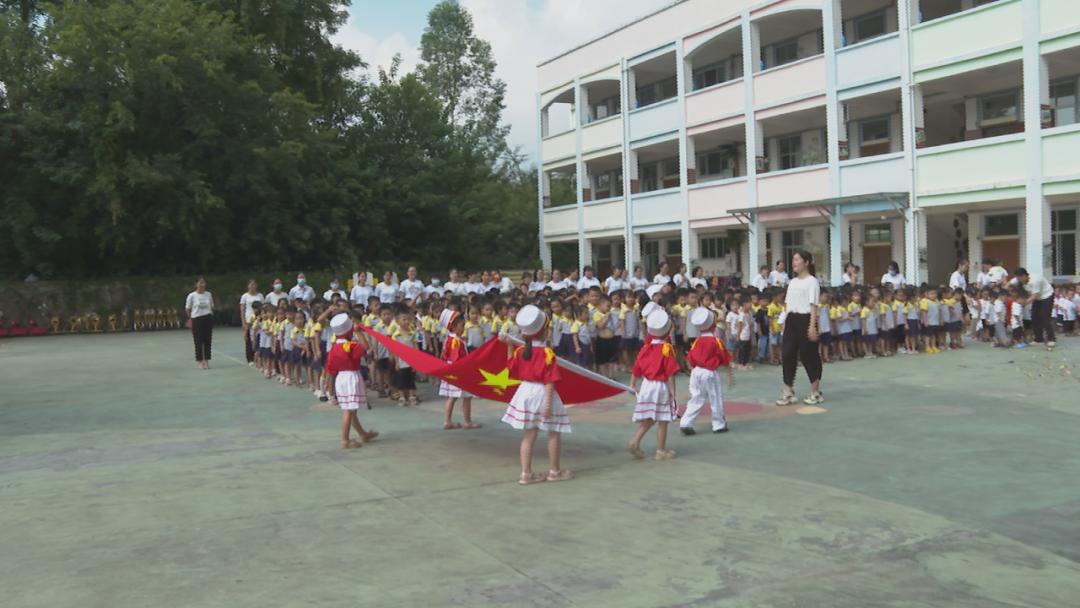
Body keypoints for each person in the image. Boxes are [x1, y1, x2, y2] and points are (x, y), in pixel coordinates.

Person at [500, 305, 572, 485]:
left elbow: (510, 367)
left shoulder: (520, 351)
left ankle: (526, 473)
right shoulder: (547, 353)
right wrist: (548, 403)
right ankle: (554, 471)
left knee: (528, 435)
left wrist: (509, 345)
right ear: (546, 331)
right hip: (542, 393)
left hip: (525, 392)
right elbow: (550, 379)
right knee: (554, 432)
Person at [627, 309, 680, 461]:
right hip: (660, 386)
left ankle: (635, 441)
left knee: (649, 417)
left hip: (646, 385)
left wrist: (632, 383)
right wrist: (673, 393)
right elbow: (670, 373)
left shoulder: (645, 348)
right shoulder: (666, 349)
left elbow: (637, 367)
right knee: (663, 419)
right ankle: (660, 450)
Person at [324, 313, 379, 449]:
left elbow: (330, 369)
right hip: (351, 378)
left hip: (340, 379)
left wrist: (328, 385)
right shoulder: (350, 346)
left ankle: (362, 434)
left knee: (351, 408)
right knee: (349, 410)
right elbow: (366, 348)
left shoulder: (334, 348)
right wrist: (359, 332)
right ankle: (345, 440)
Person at [776, 250, 823, 405]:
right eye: (793, 259)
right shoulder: (793, 282)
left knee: (809, 356)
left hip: (806, 319)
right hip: (792, 320)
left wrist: (812, 327)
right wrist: (783, 321)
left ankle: (815, 392)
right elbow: (788, 304)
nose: (794, 262)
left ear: (806, 262)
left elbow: (813, 305)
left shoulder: (812, 281)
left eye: (797, 259)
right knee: (788, 354)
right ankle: (788, 391)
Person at [679, 308, 735, 435]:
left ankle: (686, 422)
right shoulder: (716, 341)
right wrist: (730, 375)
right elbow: (725, 359)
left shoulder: (697, 341)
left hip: (696, 371)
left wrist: (693, 371)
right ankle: (718, 424)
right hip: (709, 372)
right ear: (714, 324)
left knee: (696, 398)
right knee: (715, 398)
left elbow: (690, 358)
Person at [438, 309, 481, 429]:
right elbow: (457, 359)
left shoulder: (449, 339)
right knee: (467, 397)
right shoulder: (456, 341)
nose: (464, 328)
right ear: (454, 326)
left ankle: (447, 421)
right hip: (459, 373)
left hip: (451, 373)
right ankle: (467, 421)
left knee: (452, 397)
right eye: (462, 325)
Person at [1013, 267, 1056, 350]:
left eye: (1020, 278)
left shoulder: (1036, 280)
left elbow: (1034, 296)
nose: (1019, 280)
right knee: (1034, 317)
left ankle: (1051, 338)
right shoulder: (1018, 281)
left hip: (1047, 296)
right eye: (1017, 278)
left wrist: (1024, 303)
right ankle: (1039, 339)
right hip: (1037, 298)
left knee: (1045, 317)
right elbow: (1009, 286)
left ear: (1024, 276)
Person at [185, 277, 215, 370]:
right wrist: (191, 318)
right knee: (198, 341)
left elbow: (212, 306)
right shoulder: (192, 295)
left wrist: (210, 314)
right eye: (200, 283)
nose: (202, 285)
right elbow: (188, 308)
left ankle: (206, 360)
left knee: (207, 340)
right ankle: (200, 361)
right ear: (196, 284)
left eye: (203, 283)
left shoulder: (208, 294)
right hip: (196, 319)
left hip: (207, 318)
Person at [239, 279, 264, 366]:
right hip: (249, 319)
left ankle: (259, 357)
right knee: (249, 339)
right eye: (251, 284)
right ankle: (250, 358)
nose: (253, 286)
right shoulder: (245, 296)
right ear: (248, 286)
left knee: (259, 338)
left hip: (259, 319)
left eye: (254, 284)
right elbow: (242, 310)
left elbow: (263, 307)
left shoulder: (260, 295)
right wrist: (243, 322)